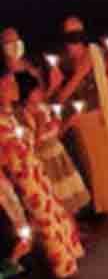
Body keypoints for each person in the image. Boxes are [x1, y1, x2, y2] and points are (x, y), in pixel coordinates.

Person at [0, 66, 84, 279]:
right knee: (44, 221)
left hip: (36, 171)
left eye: (13, 83)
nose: (14, 88)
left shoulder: (10, 116)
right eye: (9, 84)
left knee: (54, 215)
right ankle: (58, 270)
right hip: (23, 178)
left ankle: (68, 260)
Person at [53, 16, 108, 215]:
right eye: (69, 34)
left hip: (102, 111)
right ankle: (106, 207)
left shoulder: (94, 53)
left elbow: (107, 85)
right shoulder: (62, 61)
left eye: (77, 33)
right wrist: (62, 82)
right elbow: (61, 94)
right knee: (95, 164)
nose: (74, 39)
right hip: (82, 117)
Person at [18, 75, 91, 216]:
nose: (40, 92)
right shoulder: (24, 115)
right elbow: (33, 143)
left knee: (69, 194)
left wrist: (66, 123)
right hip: (45, 160)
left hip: (57, 154)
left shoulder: (43, 108)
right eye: (36, 90)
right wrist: (41, 124)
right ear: (26, 94)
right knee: (57, 196)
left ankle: (72, 226)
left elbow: (55, 135)